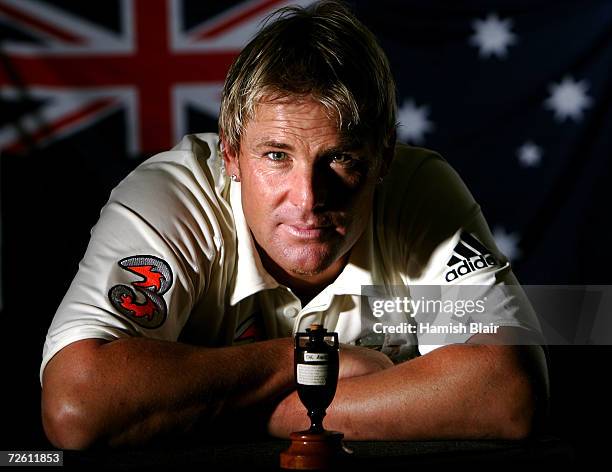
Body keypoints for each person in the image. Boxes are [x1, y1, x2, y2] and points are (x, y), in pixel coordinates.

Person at [41, 0, 548, 449]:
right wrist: (306, 359)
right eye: (277, 156)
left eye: (341, 158)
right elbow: (78, 409)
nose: (308, 198)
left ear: (384, 157)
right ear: (232, 154)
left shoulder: (421, 191)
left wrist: (239, 411)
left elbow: (507, 391)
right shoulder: (172, 196)